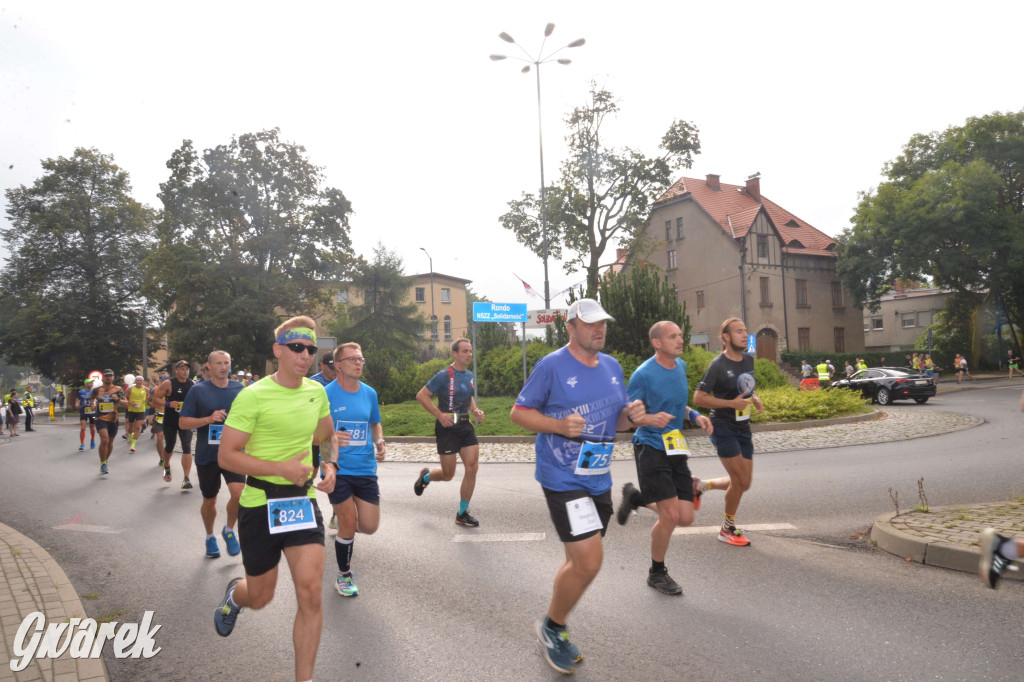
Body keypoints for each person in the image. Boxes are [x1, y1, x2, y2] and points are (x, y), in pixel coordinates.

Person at [509, 298, 646, 675]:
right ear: (570, 327)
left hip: (598, 477)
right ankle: (553, 627)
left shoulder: (613, 366)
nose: (598, 329)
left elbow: (616, 422)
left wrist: (629, 418)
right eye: (589, 324)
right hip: (562, 477)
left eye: (602, 323)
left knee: (577, 561)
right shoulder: (552, 365)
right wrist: (556, 425)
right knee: (589, 561)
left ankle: (554, 620)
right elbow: (518, 412)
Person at [213, 316, 337, 682]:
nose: (305, 356)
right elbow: (227, 455)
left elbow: (326, 434)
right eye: (297, 348)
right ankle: (236, 596)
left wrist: (328, 462)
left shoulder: (317, 392)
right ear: (278, 350)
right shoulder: (253, 396)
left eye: (311, 350)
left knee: (311, 593)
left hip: (301, 501)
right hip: (260, 504)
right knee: (262, 596)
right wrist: (278, 468)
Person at [615, 320, 714, 596]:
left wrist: (696, 416)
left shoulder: (680, 367)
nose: (680, 340)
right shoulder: (643, 375)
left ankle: (636, 498)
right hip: (650, 447)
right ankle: (657, 572)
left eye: (680, 335)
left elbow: (677, 405)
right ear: (657, 343)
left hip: (675, 448)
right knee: (670, 516)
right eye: (673, 337)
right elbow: (625, 416)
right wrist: (648, 419)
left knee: (685, 517)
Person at [693, 318, 765, 547]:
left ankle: (701, 486)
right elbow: (699, 397)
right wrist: (730, 405)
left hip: (743, 428)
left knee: (745, 483)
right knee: (739, 479)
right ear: (726, 337)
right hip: (722, 426)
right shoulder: (718, 365)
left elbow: (745, 387)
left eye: (746, 331)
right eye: (739, 331)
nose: (745, 335)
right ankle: (727, 528)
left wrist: (754, 398)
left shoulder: (748, 361)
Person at [324, 342, 386, 598]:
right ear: (338, 366)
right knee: (349, 523)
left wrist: (379, 441)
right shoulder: (325, 394)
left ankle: (342, 521)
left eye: (361, 359)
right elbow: (315, 433)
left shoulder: (369, 393)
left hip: (365, 467)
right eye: (352, 359)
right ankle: (344, 576)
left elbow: (375, 424)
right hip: (337, 467)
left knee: (370, 526)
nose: (359, 363)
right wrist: (331, 437)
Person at [178, 350, 245, 559]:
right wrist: (208, 419)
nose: (224, 367)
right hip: (208, 455)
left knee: (239, 494)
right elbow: (183, 422)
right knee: (210, 501)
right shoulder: (198, 391)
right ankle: (209, 537)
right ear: (209, 366)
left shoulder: (239, 389)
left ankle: (229, 530)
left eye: (227, 363)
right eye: (219, 363)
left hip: (233, 453)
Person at [413, 337, 485, 527]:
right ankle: (426, 477)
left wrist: (475, 410)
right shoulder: (444, 375)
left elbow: (468, 397)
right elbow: (422, 395)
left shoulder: (469, 375)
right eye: (465, 351)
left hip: (464, 426)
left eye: (470, 351)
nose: (469, 355)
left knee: (473, 467)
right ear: (455, 354)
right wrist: (438, 414)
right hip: (446, 429)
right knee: (448, 474)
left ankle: (462, 513)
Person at [153, 360, 196, 488]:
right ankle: (166, 465)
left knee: (187, 447)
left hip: (185, 421)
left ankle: (186, 478)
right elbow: (155, 399)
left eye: (187, 369)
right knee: (170, 446)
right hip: (170, 421)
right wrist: (168, 404)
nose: (185, 371)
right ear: (176, 371)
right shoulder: (168, 383)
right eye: (182, 369)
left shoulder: (192, 384)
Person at [309, 351, 339, 529]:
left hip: (335, 437)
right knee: (311, 474)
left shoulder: (343, 381)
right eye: (331, 367)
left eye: (336, 366)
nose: (334, 371)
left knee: (335, 473)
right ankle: (307, 504)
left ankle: (337, 511)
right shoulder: (313, 384)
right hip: (315, 437)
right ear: (322, 366)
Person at [91, 370, 128, 474]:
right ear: (103, 378)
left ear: (113, 377)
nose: (109, 378)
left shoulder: (118, 389)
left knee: (110, 442)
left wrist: (118, 400)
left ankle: (105, 461)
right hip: (100, 418)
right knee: (105, 440)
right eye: (107, 376)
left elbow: (127, 404)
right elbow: (92, 398)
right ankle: (102, 463)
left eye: (110, 376)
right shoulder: (97, 389)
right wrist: (93, 404)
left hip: (113, 419)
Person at [125, 376, 148, 452]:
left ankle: (133, 445)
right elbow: (124, 398)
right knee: (131, 428)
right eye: (137, 380)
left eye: (140, 380)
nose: (139, 382)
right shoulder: (130, 389)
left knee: (138, 427)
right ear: (135, 381)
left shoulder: (146, 389)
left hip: (141, 410)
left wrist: (146, 402)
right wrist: (130, 403)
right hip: (131, 410)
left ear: (143, 382)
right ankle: (131, 435)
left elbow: (148, 398)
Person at [76, 381, 98, 450]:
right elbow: (78, 399)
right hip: (83, 411)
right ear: (86, 384)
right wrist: (76, 403)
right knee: (83, 427)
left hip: (92, 412)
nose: (91, 384)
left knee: (92, 426)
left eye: (92, 383)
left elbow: (96, 399)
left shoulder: (94, 392)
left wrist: (94, 404)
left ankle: (92, 440)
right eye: (90, 383)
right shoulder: (81, 392)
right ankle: (82, 444)